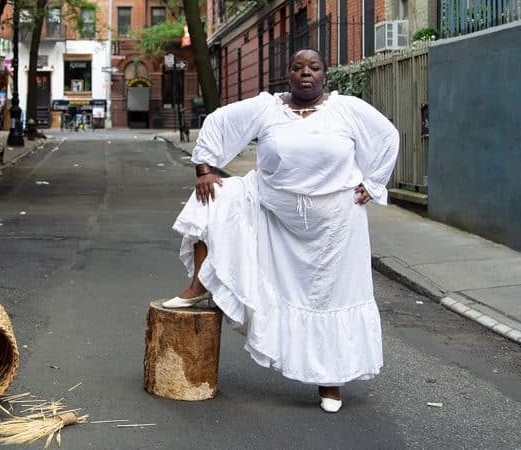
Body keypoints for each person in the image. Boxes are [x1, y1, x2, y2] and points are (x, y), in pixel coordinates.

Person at [163, 48, 399, 413]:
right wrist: (204, 169)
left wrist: (375, 182)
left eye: (314, 68)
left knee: (328, 297)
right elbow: (220, 122)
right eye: (297, 67)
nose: (306, 73)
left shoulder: (347, 108)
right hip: (274, 208)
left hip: (335, 222)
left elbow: (388, 137)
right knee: (214, 199)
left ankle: (330, 382)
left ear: (325, 75)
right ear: (288, 74)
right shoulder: (267, 108)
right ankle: (199, 286)